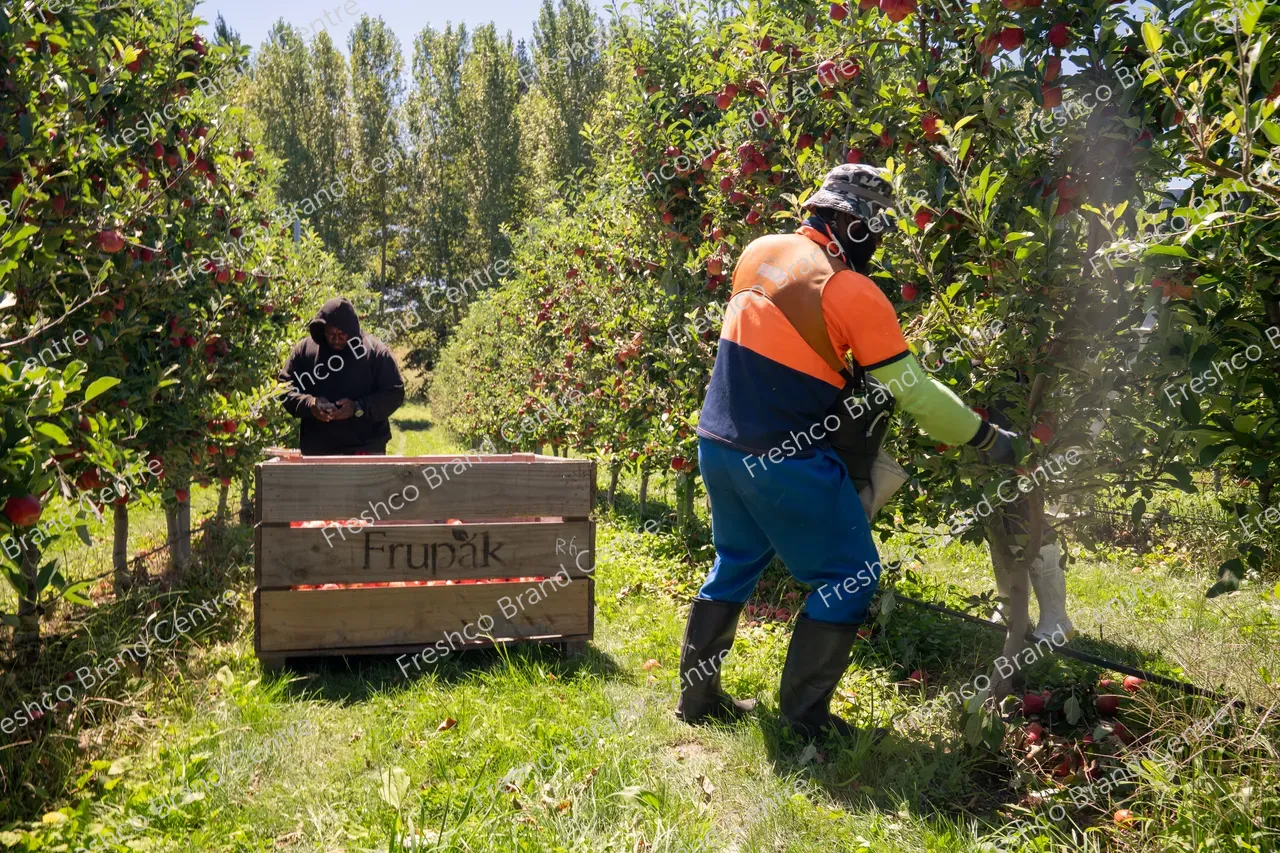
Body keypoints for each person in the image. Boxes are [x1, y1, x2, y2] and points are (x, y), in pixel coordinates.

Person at [678, 164, 1021, 739]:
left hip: (718, 445)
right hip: (785, 460)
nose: (879, 243)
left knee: (735, 563)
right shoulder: (849, 290)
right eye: (876, 230)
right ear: (853, 224)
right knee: (852, 577)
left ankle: (697, 699)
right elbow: (915, 394)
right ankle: (804, 723)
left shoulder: (760, 250)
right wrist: (984, 435)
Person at [279, 296, 405, 456]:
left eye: (342, 334)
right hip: (317, 452)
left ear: (353, 331)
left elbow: (395, 393)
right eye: (330, 333)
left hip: (365, 450)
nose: (336, 339)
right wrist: (310, 404)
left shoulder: (375, 353)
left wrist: (358, 407)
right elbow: (283, 389)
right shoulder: (305, 351)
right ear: (321, 329)